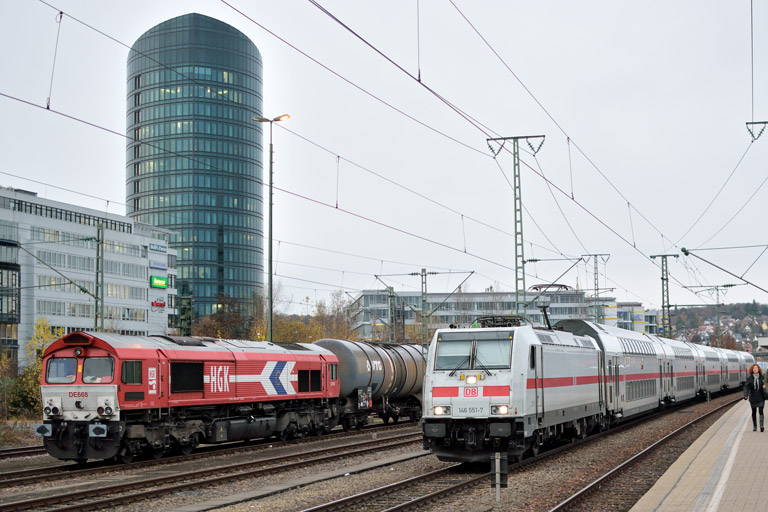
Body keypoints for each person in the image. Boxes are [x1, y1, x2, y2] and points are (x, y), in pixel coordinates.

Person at [743, 363, 766, 432]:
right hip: (753, 397)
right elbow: (746, 387)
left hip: (761, 397)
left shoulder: (762, 377)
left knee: (761, 411)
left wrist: (765, 387)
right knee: (754, 412)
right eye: (754, 368)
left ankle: (761, 426)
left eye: (756, 368)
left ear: (758, 369)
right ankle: (755, 426)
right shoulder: (749, 378)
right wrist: (746, 395)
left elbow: (766, 384)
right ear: (752, 370)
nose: (755, 369)